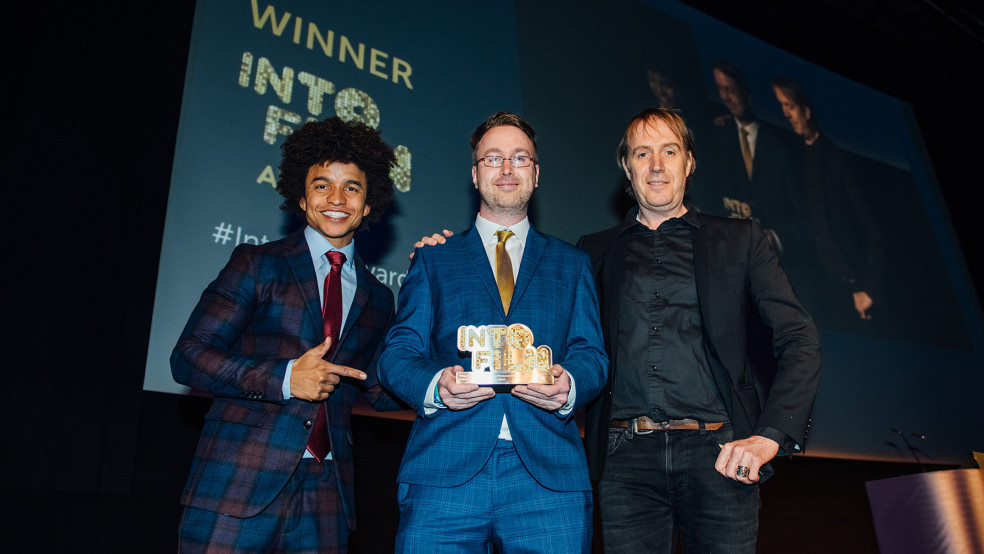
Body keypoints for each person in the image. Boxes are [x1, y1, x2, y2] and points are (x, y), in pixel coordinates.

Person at [578, 108, 822, 553]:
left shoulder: (741, 239)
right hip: (625, 463)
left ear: (689, 162)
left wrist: (771, 435)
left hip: (721, 458)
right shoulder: (592, 251)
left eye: (669, 151)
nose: (656, 165)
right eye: (642, 153)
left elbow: (799, 339)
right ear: (627, 168)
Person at [378, 111, 608, 553]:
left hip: (548, 477)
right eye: (493, 158)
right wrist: (435, 384)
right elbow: (397, 353)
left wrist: (569, 386)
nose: (506, 169)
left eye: (520, 158)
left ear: (536, 174)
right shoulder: (434, 259)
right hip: (444, 471)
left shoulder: (572, 263)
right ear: (475, 173)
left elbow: (591, 352)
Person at [171, 116, 404, 553]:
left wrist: (444, 379)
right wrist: (284, 378)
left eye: (352, 187)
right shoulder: (258, 263)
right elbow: (188, 356)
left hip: (327, 495)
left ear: (369, 203)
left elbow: (376, 388)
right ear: (301, 197)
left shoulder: (378, 297)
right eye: (321, 185)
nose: (337, 199)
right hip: (238, 482)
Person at [772, 76, 884, 325]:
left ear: (807, 110)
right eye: (781, 106)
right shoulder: (797, 153)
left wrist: (870, 289)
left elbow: (872, 228)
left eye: (789, 106)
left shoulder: (836, 159)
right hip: (825, 285)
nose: (785, 114)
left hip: (857, 290)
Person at [696, 59, 805, 261]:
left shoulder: (782, 146)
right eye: (721, 89)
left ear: (748, 92)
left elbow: (803, 215)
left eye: (732, 90)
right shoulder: (719, 134)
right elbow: (707, 191)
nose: (726, 97)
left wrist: (776, 237)